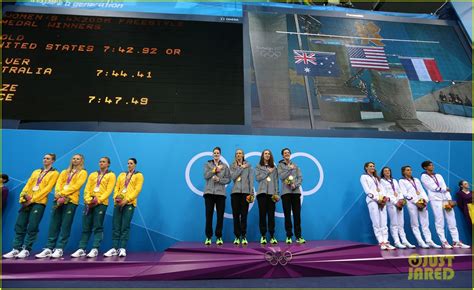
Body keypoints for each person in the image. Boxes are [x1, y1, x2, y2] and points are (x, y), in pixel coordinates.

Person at [3, 154, 60, 259]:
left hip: (39, 202)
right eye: (44, 158)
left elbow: (47, 189)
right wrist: (22, 197)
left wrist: (32, 199)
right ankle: (16, 248)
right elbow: (28, 184)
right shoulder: (36, 171)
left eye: (48, 159)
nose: (45, 160)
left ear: (53, 161)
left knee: (32, 226)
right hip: (27, 201)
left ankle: (26, 249)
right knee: (20, 224)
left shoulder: (55, 173)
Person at [35, 154, 88, 259]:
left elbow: (76, 186)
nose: (75, 160)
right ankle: (49, 248)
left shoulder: (83, 172)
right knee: (54, 224)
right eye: (74, 158)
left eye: (78, 159)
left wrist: (63, 194)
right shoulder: (64, 172)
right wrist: (58, 194)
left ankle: (59, 248)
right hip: (58, 199)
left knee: (65, 225)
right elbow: (58, 184)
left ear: (81, 161)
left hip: (71, 201)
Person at [71, 157, 116, 258]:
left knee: (97, 226)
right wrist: (88, 200)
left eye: (103, 162)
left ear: (108, 164)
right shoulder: (93, 174)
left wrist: (98, 200)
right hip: (89, 203)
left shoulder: (111, 175)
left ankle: (95, 248)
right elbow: (87, 188)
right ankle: (82, 248)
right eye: (100, 161)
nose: (101, 163)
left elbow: (109, 190)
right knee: (86, 226)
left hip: (101, 203)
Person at [420, 161, 470, 249]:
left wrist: (449, 199)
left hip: (445, 200)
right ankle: (444, 241)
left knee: (452, 220)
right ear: (425, 167)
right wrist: (444, 189)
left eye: (432, 165)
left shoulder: (438, 175)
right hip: (435, 200)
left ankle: (456, 241)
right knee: (440, 221)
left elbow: (445, 187)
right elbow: (433, 188)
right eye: (430, 165)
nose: (432, 166)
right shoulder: (424, 176)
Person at [104, 158, 144, 257]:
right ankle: (114, 248)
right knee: (116, 226)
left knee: (125, 226)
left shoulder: (139, 175)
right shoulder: (122, 175)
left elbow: (137, 190)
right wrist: (116, 199)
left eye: (131, 163)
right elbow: (116, 187)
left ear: (135, 165)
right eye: (128, 163)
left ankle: (122, 248)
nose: (129, 165)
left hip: (129, 204)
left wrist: (127, 200)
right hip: (118, 203)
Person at [398, 165, 438, 249]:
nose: (410, 171)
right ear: (404, 172)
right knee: (415, 224)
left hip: (422, 202)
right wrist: (415, 202)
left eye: (410, 170)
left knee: (425, 223)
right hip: (412, 203)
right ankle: (420, 241)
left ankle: (429, 240)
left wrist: (425, 200)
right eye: (408, 170)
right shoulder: (402, 181)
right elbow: (405, 194)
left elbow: (422, 190)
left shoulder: (416, 180)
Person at [360, 162, 395, 250]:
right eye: (370, 166)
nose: (373, 167)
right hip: (372, 201)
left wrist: (383, 198)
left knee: (384, 222)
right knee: (376, 222)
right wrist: (377, 199)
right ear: (366, 168)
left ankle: (386, 241)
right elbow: (367, 190)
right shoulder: (364, 177)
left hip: (381, 201)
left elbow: (382, 189)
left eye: (373, 166)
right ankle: (381, 242)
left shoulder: (376, 178)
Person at [380, 167, 415, 249]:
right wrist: (395, 202)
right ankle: (397, 241)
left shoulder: (394, 180)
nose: (387, 172)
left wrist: (401, 200)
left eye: (388, 170)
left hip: (399, 203)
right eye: (385, 171)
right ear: (383, 173)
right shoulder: (382, 181)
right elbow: (385, 193)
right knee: (394, 223)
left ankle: (404, 240)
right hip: (391, 204)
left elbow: (399, 191)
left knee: (401, 223)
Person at [202, 147, 230, 246]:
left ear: (220, 155)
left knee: (220, 216)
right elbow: (205, 175)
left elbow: (228, 180)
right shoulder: (207, 164)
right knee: (208, 216)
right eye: (215, 153)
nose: (216, 154)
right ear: (212, 154)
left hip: (220, 194)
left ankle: (219, 237)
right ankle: (208, 237)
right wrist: (214, 170)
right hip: (209, 193)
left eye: (218, 153)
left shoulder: (225, 166)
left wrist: (219, 180)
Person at [277, 148, 305, 244]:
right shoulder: (280, 165)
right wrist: (289, 168)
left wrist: (295, 184)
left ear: (290, 154)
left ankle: (299, 236)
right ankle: (289, 236)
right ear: (282, 155)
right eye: (285, 153)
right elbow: (281, 176)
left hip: (296, 192)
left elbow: (300, 178)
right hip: (286, 193)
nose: (287, 154)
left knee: (297, 215)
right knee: (287, 215)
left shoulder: (296, 166)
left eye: (288, 153)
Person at [255, 149, 279, 245]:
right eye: (265, 153)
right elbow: (258, 178)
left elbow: (276, 182)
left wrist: (277, 193)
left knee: (271, 215)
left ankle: (272, 236)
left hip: (272, 194)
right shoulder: (258, 166)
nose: (267, 155)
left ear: (270, 156)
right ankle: (263, 235)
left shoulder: (274, 168)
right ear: (262, 155)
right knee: (262, 215)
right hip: (262, 194)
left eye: (269, 154)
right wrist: (267, 172)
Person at [229, 149, 253, 246]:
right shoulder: (232, 165)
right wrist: (241, 167)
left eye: (240, 153)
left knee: (244, 215)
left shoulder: (249, 166)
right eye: (237, 153)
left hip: (245, 193)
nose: (239, 155)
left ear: (243, 155)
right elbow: (233, 177)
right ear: (235, 156)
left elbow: (251, 179)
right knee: (235, 215)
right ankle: (237, 236)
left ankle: (244, 236)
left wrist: (251, 192)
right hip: (235, 193)